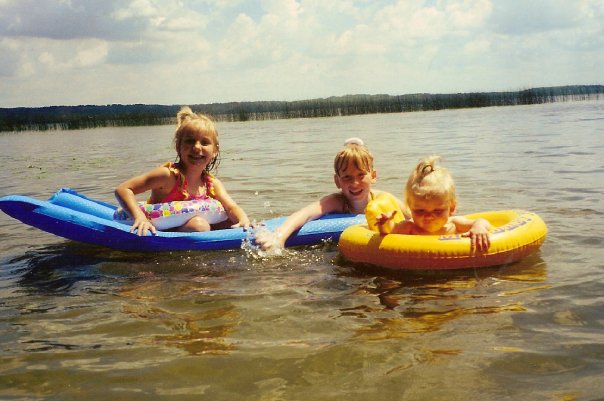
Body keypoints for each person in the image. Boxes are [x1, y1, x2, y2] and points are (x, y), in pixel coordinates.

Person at [115, 106, 250, 236]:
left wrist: (243, 220)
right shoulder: (167, 176)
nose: (197, 147)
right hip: (162, 231)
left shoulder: (212, 184)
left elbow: (231, 207)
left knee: (228, 221)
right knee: (199, 226)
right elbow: (123, 189)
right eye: (190, 141)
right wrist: (140, 218)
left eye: (204, 142)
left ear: (215, 151)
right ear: (178, 147)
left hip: (195, 229)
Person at [254, 138, 406, 250]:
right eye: (347, 177)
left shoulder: (384, 199)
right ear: (337, 181)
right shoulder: (338, 202)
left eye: (361, 175)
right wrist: (278, 236)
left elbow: (413, 216)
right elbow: (305, 214)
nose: (354, 183)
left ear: (373, 176)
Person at [374, 155, 491, 251]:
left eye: (437, 210)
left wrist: (479, 227)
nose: (429, 216)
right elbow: (389, 232)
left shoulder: (455, 224)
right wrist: (385, 223)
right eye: (420, 210)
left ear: (452, 208)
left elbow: (482, 221)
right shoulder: (409, 228)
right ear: (410, 208)